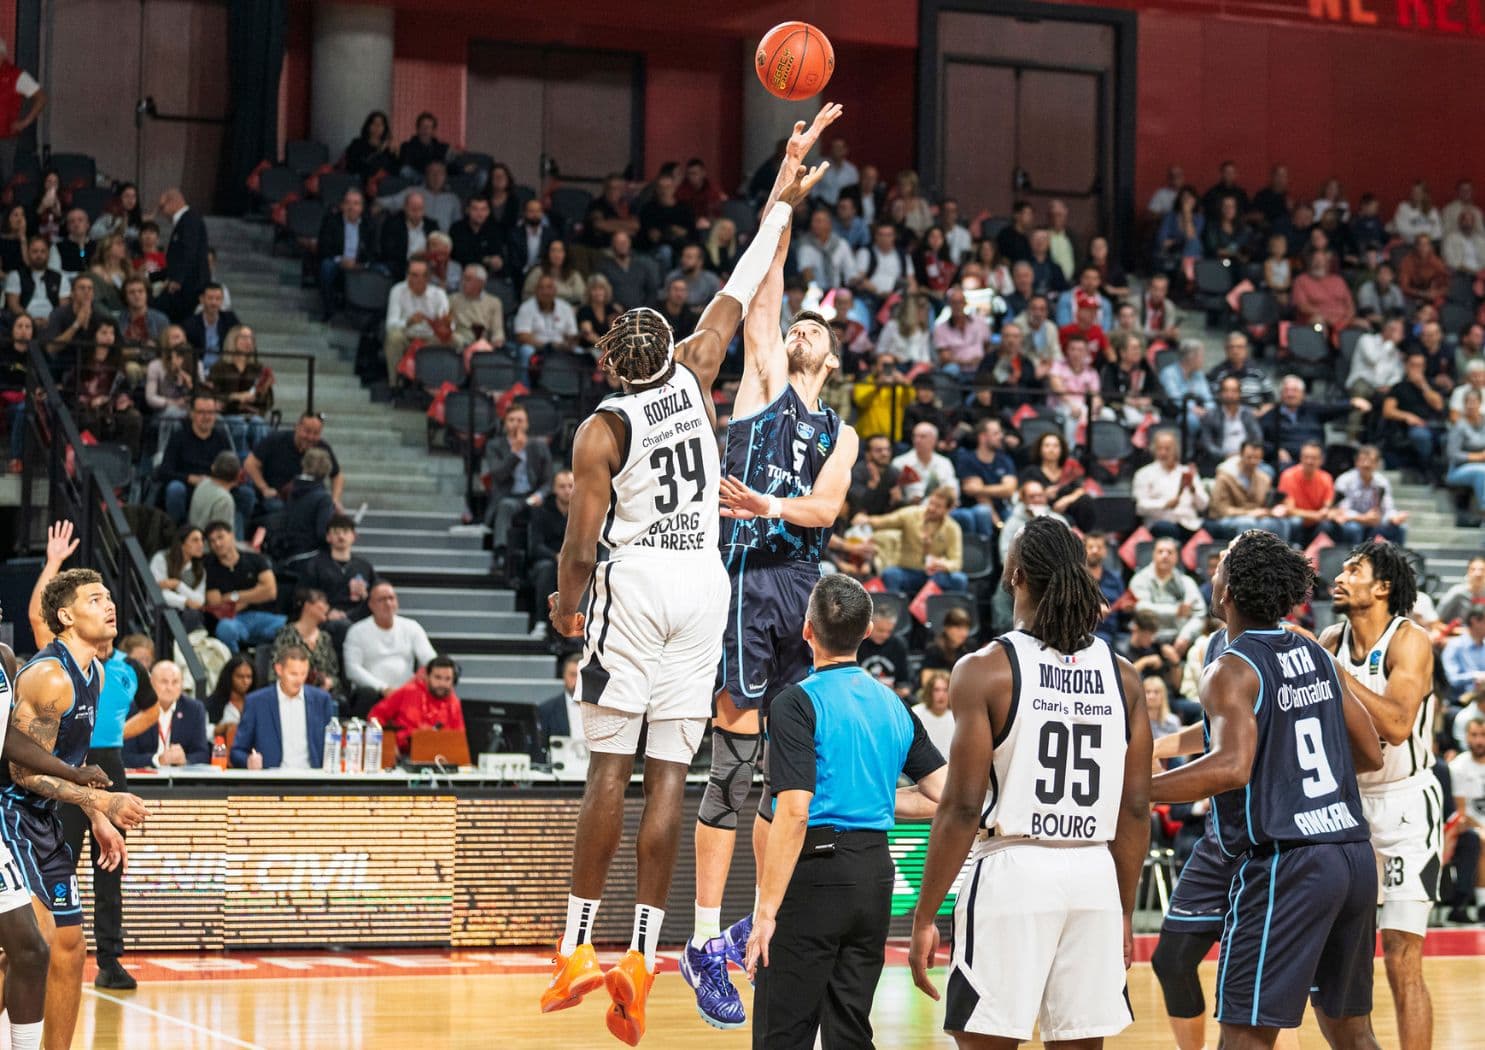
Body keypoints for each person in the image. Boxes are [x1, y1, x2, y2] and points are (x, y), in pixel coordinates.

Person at [540, 117, 821, 1046]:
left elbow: (582, 548)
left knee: (605, 771)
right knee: (670, 772)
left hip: (640, 582)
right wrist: (781, 188)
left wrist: (567, 607)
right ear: (666, 350)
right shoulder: (698, 370)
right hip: (706, 584)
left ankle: (581, 948)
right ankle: (643, 958)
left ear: (608, 368)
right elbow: (742, 277)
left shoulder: (600, 430)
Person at [682, 107, 855, 1031]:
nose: (803, 331)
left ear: (835, 353)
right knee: (733, 755)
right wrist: (783, 189)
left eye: (818, 330)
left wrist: (769, 504)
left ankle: (762, 920)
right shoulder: (759, 383)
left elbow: (827, 511)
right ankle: (704, 934)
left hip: (800, 592)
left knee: (788, 774)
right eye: (799, 325)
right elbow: (764, 281)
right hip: (745, 581)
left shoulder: (843, 429)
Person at [908, 515, 1152, 1046]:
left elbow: (961, 807)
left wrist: (926, 913)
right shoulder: (1124, 675)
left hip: (1012, 869)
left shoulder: (985, 669)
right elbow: (1135, 809)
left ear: (1013, 574)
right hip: (1094, 873)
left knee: (984, 1040)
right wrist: (1124, 912)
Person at [1150, 532, 1383, 1049]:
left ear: (1229, 589)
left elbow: (1231, 768)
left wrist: (1135, 789)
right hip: (1351, 854)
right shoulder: (1311, 650)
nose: (1213, 574)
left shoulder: (1231, 668)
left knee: (1244, 1033)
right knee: (1350, 1030)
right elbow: (1369, 751)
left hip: (1288, 863)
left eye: (1220, 568)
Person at [745, 574, 945, 1049]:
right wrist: (871, 795)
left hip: (814, 875)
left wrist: (766, 911)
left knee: (783, 1033)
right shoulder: (896, 705)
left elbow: (793, 810)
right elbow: (944, 796)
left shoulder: (795, 702)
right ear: (868, 630)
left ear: (807, 630)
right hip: (874, 876)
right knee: (850, 1030)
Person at [4, 566, 149, 1048]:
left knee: (70, 948)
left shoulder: (98, 671)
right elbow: (23, 770)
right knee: (35, 945)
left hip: (44, 818)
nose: (109, 605)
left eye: (108, 596)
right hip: (11, 816)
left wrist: (97, 815)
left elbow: (73, 760)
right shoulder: (48, 677)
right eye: (94, 599)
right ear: (65, 616)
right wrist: (100, 799)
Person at [1320, 539, 1439, 1050]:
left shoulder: (1408, 641)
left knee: (1400, 953)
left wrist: (1335, 672)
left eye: (1354, 569)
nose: (1340, 575)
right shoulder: (1329, 638)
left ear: (1383, 587)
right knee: (1345, 951)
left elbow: (1395, 722)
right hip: (1351, 807)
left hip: (1408, 805)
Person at [229, 647, 334, 770]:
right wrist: (248, 761)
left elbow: (331, 746)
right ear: (279, 669)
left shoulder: (321, 701)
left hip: (313, 779)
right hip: (271, 781)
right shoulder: (256, 702)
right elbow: (236, 751)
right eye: (293, 674)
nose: (299, 680)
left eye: (303, 673)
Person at [159, 393, 255, 527]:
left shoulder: (221, 438)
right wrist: (190, 478)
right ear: (192, 414)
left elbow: (232, 470)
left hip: (217, 486)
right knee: (175, 489)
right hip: (188, 486)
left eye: (210, 412)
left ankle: (233, 540)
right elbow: (164, 472)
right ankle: (180, 533)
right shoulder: (179, 437)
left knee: (246, 494)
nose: (206, 417)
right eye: (201, 412)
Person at [342, 582, 436, 715]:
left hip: (407, 692)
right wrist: (383, 688)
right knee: (366, 694)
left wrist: (422, 676)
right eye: (381, 600)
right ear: (371, 605)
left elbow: (430, 660)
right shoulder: (357, 631)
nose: (388, 603)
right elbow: (352, 669)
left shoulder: (412, 627)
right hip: (373, 693)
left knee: (434, 686)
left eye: (391, 598)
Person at [202, 520, 284, 654]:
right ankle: (236, 663)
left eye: (220, 537)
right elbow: (218, 607)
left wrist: (235, 596)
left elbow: (271, 592)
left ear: (232, 535)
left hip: (264, 617)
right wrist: (257, 593)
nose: (217, 543)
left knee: (292, 626)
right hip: (234, 620)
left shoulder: (256, 559)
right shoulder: (210, 568)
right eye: (212, 541)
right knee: (225, 629)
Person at [244, 411, 343, 513]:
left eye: (316, 433)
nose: (310, 437)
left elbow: (337, 475)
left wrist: (335, 499)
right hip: (278, 498)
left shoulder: (322, 447)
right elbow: (250, 463)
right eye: (307, 431)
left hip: (310, 497)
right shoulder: (276, 440)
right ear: (297, 427)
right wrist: (264, 488)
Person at [368, 655, 464, 756]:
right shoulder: (408, 692)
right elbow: (375, 716)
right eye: (437, 677)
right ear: (427, 676)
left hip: (439, 758)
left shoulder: (454, 702)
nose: (442, 683)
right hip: (402, 755)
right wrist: (388, 744)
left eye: (447, 679)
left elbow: (459, 740)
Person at [120, 661, 210, 769]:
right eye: (164, 682)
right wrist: (157, 759)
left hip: (181, 781)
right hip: (143, 781)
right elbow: (125, 756)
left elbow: (203, 754)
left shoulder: (194, 709)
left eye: (175, 682)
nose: (169, 688)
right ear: (150, 683)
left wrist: (185, 759)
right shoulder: (133, 708)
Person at [270, 588, 340, 697]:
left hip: (322, 695)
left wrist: (329, 682)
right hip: (292, 693)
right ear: (307, 605)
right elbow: (275, 672)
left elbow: (334, 675)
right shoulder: (286, 634)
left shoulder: (325, 638)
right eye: (323, 603)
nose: (327, 607)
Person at [155, 188, 210, 322]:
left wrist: (178, 278)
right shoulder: (187, 220)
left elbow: (188, 250)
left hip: (188, 285)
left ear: (173, 202)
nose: (162, 213)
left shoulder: (189, 219)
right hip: (185, 282)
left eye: (162, 207)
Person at [534, 654, 582, 763]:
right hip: (561, 774)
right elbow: (540, 751)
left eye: (582, 675)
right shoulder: (546, 710)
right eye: (573, 675)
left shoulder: (604, 709)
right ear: (564, 676)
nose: (578, 680)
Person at [206, 654, 256, 745]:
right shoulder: (213, 703)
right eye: (240, 677)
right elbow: (202, 732)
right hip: (220, 753)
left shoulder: (258, 702)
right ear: (229, 677)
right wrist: (220, 729)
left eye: (249, 677)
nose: (245, 681)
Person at [912, 670, 955, 758]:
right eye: (936, 690)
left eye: (945, 690)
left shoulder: (957, 717)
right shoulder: (915, 714)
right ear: (929, 692)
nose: (941, 695)